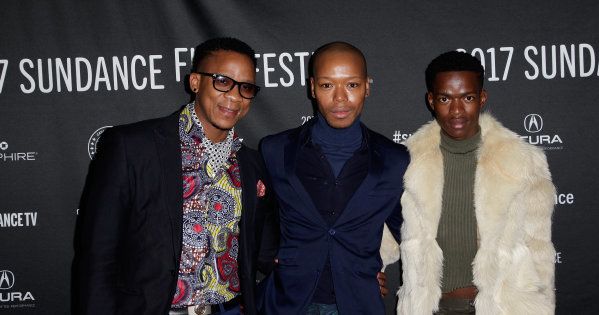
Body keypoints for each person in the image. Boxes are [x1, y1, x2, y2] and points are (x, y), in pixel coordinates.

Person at [76, 37, 277, 315]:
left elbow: (266, 252)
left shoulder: (252, 163)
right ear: (195, 82)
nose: (234, 96)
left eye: (245, 87)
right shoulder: (132, 147)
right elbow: (98, 258)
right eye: (222, 81)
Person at [394, 51, 556, 314]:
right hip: (430, 308)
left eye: (467, 98)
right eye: (445, 98)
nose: (457, 110)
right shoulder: (407, 161)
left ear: (481, 98)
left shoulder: (524, 161)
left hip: (503, 307)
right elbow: (381, 234)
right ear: (431, 100)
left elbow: (540, 249)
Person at [257, 41, 408, 315]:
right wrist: (271, 261)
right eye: (328, 85)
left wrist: (369, 270)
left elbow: (411, 235)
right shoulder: (275, 150)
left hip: (358, 303)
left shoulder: (394, 160)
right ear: (312, 87)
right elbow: (259, 216)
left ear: (367, 86)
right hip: (286, 303)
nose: (340, 98)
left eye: (352, 85)